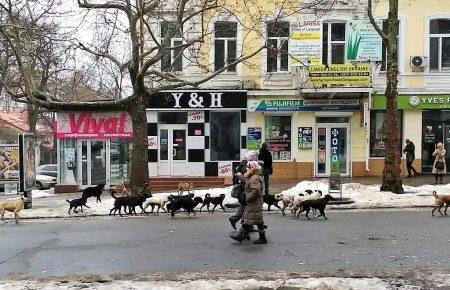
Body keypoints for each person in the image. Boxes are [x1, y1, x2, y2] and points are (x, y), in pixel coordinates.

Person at [230, 160, 267, 244]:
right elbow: (249, 184)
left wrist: (248, 198)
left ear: (251, 168)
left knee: (249, 219)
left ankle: (241, 236)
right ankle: (261, 238)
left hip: (254, 202)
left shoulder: (254, 177)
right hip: (255, 202)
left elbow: (256, 190)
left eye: (248, 168)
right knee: (255, 220)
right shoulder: (254, 176)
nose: (246, 169)